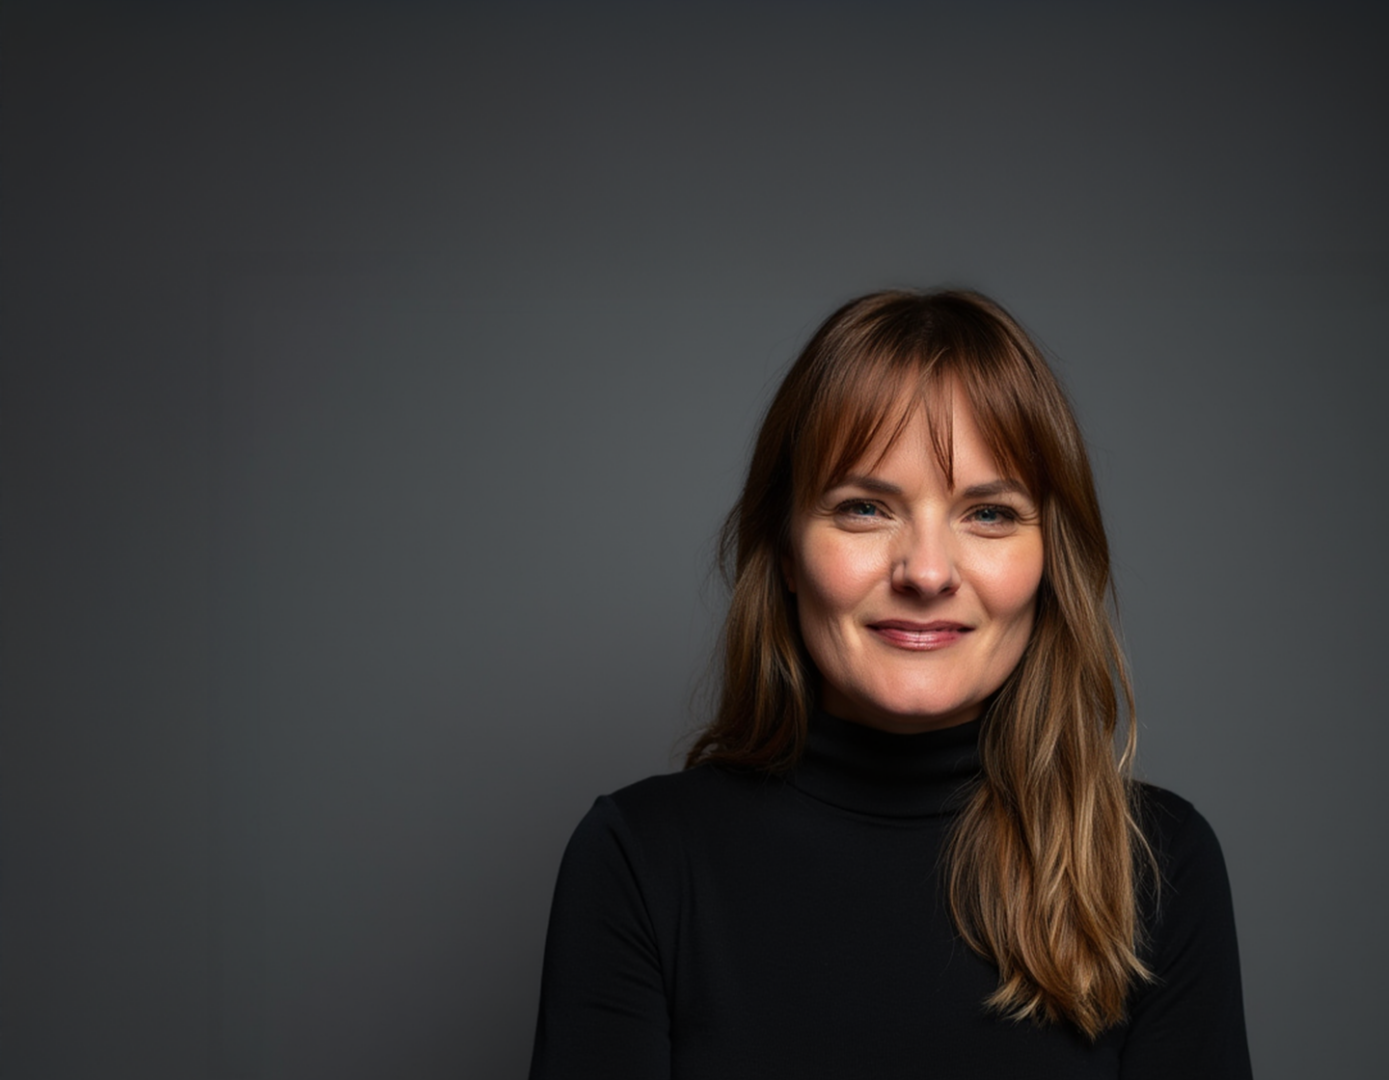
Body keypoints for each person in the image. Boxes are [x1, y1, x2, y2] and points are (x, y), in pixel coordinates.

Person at [528, 289, 1252, 1079]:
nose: (927, 573)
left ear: (1052, 559)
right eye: (865, 508)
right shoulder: (638, 861)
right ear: (785, 551)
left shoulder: (1157, 866)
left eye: (989, 514)